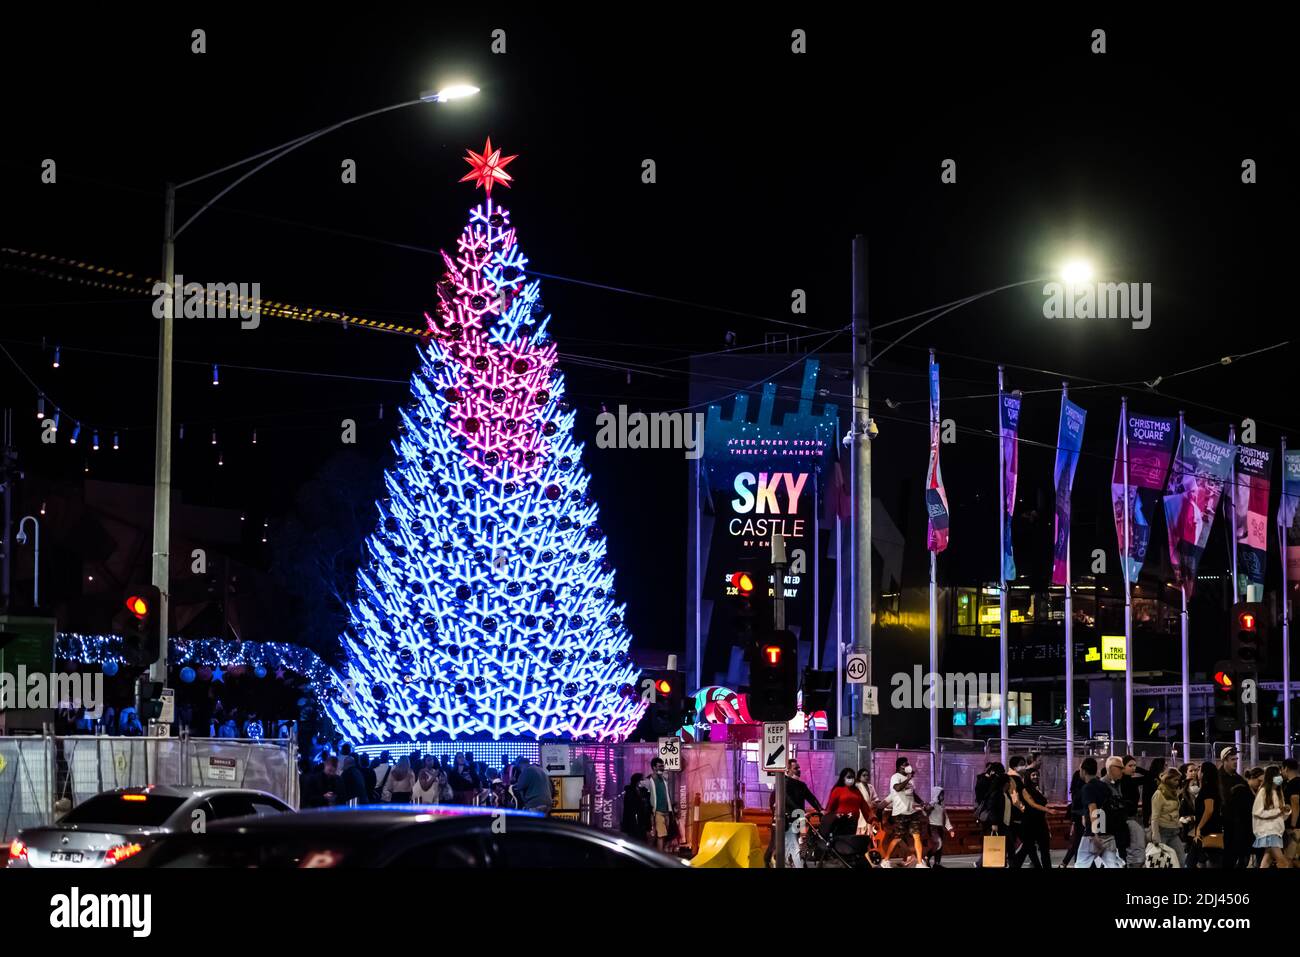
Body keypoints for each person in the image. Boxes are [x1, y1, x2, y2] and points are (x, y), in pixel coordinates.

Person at [765, 759, 823, 867]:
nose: (799, 770)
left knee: (796, 843)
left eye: (799, 768)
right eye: (795, 768)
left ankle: (789, 862)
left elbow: (811, 798)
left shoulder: (801, 785)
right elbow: (786, 800)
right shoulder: (782, 784)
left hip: (798, 819)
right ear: (788, 770)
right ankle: (767, 862)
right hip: (785, 820)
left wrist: (821, 809)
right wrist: (800, 811)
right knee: (777, 844)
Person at [1076, 756, 1126, 868]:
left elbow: (1093, 809)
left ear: (1083, 771)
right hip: (1108, 833)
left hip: (1092, 836)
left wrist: (1095, 834)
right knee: (1112, 865)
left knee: (1081, 864)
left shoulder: (1087, 788)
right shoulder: (1104, 786)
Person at [883, 756, 925, 865]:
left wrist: (922, 803)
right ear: (900, 766)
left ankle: (920, 863)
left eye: (908, 764)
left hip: (912, 811)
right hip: (900, 812)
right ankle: (886, 860)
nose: (908, 766)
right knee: (897, 838)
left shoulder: (909, 779)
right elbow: (897, 788)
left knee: (917, 836)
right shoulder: (895, 777)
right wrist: (908, 779)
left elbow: (913, 794)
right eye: (906, 764)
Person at [1220, 749, 1255, 869]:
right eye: (1232, 759)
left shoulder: (1240, 779)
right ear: (1224, 760)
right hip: (1226, 826)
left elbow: (1251, 800)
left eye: (1236, 759)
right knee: (1227, 860)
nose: (1235, 762)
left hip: (1242, 827)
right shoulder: (1218, 779)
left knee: (1242, 858)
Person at [1013, 766, 1052, 869]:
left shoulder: (1038, 789)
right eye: (1033, 775)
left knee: (1044, 850)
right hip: (1030, 823)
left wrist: (1047, 823)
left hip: (1041, 822)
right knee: (1027, 849)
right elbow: (1032, 804)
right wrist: (1048, 810)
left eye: (1037, 775)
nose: (1036, 777)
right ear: (1028, 777)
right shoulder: (1025, 790)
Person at [1252, 764, 1291, 868]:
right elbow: (1258, 812)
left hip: (1277, 831)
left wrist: (1285, 811)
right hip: (1268, 831)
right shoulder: (1264, 791)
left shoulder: (1279, 792)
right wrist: (1278, 811)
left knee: (1266, 861)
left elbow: (1280, 815)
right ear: (1271, 776)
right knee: (1283, 862)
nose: (1280, 777)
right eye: (1278, 774)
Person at [1060, 757, 1096, 867]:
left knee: (1080, 843)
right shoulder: (1085, 786)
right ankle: (1066, 863)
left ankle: (1065, 863)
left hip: (1085, 816)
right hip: (1081, 815)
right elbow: (1077, 801)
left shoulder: (1093, 784)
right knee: (1080, 842)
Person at [1149, 766, 1186, 867]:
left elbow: (1175, 810)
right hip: (1162, 832)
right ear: (1168, 779)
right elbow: (1155, 816)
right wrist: (1155, 834)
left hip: (1174, 831)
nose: (1177, 782)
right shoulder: (1159, 794)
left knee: (1181, 860)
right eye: (1175, 780)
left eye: (1178, 780)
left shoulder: (1173, 793)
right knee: (1161, 863)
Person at [1189, 760, 1223, 868]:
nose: (1197, 772)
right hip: (1207, 831)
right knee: (1200, 861)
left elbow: (1209, 810)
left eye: (1199, 769)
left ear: (1204, 773)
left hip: (1208, 831)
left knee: (1210, 861)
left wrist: (1199, 827)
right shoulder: (1211, 788)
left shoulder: (1208, 789)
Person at [641, 757, 676, 851]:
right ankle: (659, 858)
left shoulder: (664, 779)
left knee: (665, 835)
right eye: (659, 766)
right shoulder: (649, 780)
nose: (662, 768)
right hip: (658, 812)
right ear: (654, 767)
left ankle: (659, 854)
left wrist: (670, 810)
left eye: (662, 766)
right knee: (661, 835)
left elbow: (667, 795)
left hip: (666, 812)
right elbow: (641, 786)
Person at [824, 768, 868, 839]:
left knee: (849, 841)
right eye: (849, 777)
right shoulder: (837, 790)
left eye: (853, 777)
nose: (851, 779)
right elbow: (830, 807)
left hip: (853, 822)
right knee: (840, 842)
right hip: (840, 822)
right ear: (843, 778)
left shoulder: (857, 791)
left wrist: (872, 819)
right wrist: (827, 820)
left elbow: (864, 806)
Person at [1119, 755, 1147, 867]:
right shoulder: (1120, 781)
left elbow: (1150, 776)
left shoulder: (1132, 781)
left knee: (1135, 850)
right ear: (1122, 767)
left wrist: (1137, 768)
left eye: (1135, 765)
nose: (1133, 768)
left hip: (1133, 818)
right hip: (1126, 819)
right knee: (1135, 851)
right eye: (1130, 765)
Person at [925, 787, 955, 867]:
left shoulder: (942, 805)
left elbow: (946, 817)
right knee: (938, 843)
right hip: (932, 827)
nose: (943, 796)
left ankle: (937, 864)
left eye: (943, 794)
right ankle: (926, 857)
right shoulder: (932, 804)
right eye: (941, 794)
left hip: (940, 827)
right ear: (937, 794)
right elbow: (925, 812)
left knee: (940, 846)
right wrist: (929, 806)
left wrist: (950, 829)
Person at [621, 772, 651, 842]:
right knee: (634, 839)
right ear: (637, 781)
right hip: (633, 821)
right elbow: (630, 807)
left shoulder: (644, 791)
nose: (644, 781)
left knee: (643, 840)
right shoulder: (629, 791)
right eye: (642, 780)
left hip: (642, 821)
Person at [854, 767, 880, 836]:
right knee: (860, 832)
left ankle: (868, 845)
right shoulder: (857, 786)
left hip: (870, 811)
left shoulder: (871, 786)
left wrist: (874, 803)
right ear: (859, 777)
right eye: (864, 775)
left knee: (869, 832)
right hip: (861, 811)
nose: (866, 777)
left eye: (867, 775)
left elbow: (876, 798)